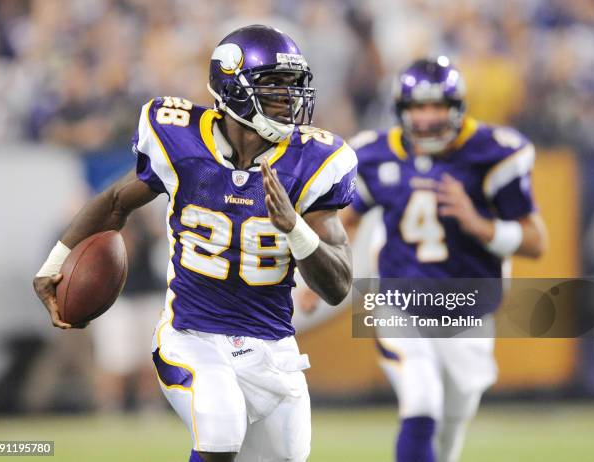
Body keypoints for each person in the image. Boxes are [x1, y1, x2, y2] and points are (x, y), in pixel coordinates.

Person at [33, 24, 357, 462]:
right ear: (233, 88)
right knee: (220, 432)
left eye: (293, 85)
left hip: (272, 348)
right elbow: (114, 202)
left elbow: (338, 286)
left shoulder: (314, 162)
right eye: (274, 85)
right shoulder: (182, 141)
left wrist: (295, 229)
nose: (289, 98)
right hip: (192, 335)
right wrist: (55, 264)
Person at [300, 56, 547, 462]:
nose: (428, 118)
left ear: (457, 108)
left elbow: (537, 242)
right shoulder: (377, 154)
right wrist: (321, 273)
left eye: (437, 106)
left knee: (450, 430)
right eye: (418, 107)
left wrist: (479, 224)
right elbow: (348, 220)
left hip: (466, 313)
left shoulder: (493, 152)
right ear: (402, 110)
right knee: (421, 401)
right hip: (401, 305)